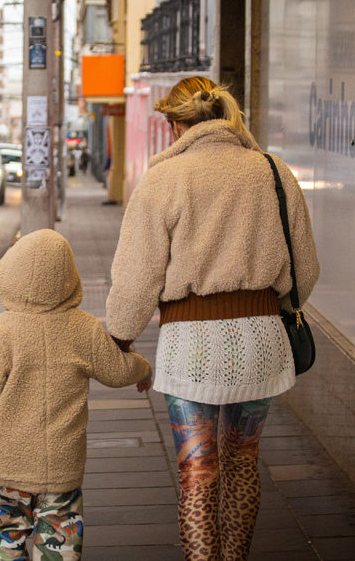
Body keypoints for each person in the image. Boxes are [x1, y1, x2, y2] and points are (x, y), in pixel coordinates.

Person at [105, 76, 319, 560]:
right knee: (243, 462)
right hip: (261, 342)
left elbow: (137, 277)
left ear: (176, 124)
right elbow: (305, 268)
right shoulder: (272, 170)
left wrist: (120, 338)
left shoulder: (163, 180)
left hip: (189, 345)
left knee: (198, 470)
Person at [0, 229, 152, 561]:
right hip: (62, 460)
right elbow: (116, 369)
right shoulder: (83, 327)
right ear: (69, 278)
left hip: (10, 460)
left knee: (9, 533)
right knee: (61, 535)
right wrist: (142, 368)